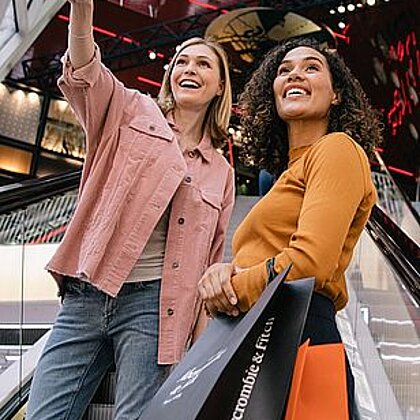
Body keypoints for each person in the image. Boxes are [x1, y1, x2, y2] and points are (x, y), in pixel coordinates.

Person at [25, 0, 235, 419]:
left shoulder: (222, 172)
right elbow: (84, 71)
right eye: (182, 62)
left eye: (203, 65)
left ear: (219, 88)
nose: (189, 69)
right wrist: (82, 9)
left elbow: (210, 260)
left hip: (156, 308)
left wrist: (197, 343)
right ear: (170, 75)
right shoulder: (129, 110)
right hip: (87, 294)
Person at [198, 36, 382, 419]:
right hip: (261, 330)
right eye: (284, 70)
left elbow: (310, 262)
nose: (295, 73)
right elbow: (265, 253)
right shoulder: (286, 176)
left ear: (336, 95)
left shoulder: (337, 149)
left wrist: (233, 287)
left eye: (312, 67)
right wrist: (222, 272)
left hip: (299, 331)